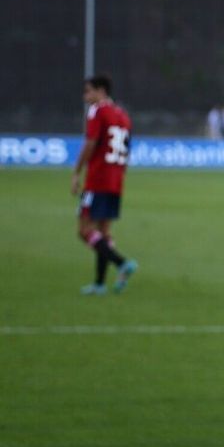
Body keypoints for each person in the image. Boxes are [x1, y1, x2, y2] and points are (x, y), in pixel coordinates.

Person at [72, 74, 138, 295]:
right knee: (103, 233)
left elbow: (90, 143)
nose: (85, 96)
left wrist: (76, 172)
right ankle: (100, 284)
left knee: (84, 230)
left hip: (98, 179)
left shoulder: (98, 111)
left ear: (101, 91)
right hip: (116, 181)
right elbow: (127, 150)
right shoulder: (123, 115)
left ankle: (121, 263)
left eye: (88, 91)